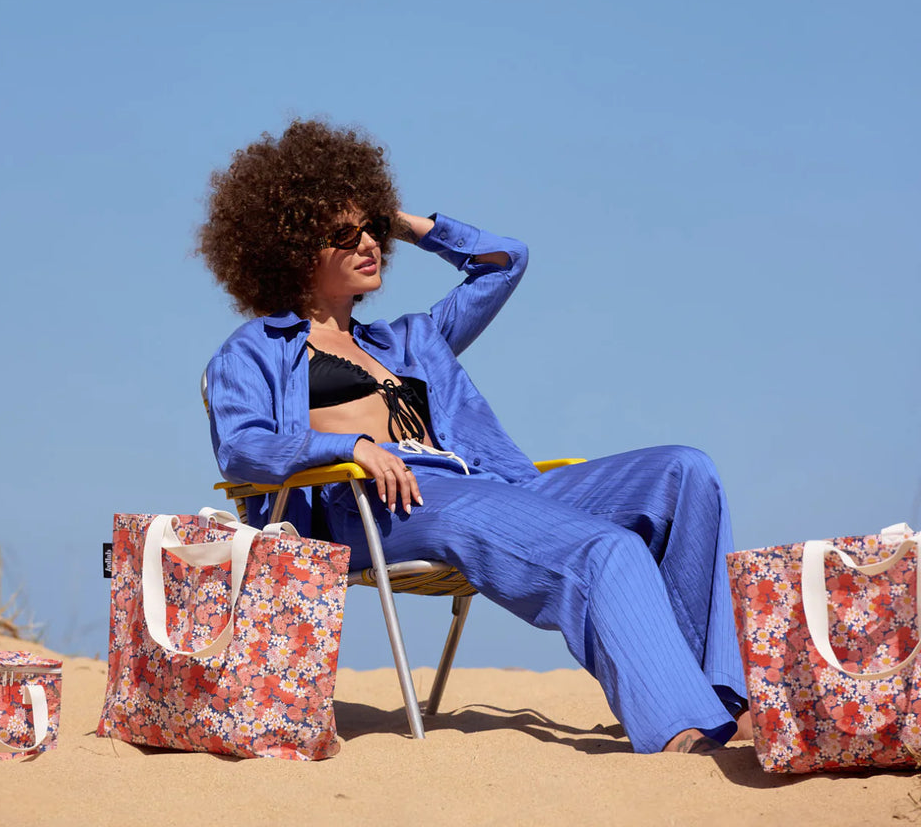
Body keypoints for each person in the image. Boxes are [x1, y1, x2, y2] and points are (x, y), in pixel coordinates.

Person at [198, 118, 749, 755]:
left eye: (371, 227)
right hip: (376, 506)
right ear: (295, 249)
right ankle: (682, 726)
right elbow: (243, 447)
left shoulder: (409, 339)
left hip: (483, 481)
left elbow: (503, 263)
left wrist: (402, 220)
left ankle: (721, 699)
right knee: (604, 547)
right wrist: (349, 447)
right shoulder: (256, 350)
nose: (368, 243)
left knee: (686, 470)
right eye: (343, 235)